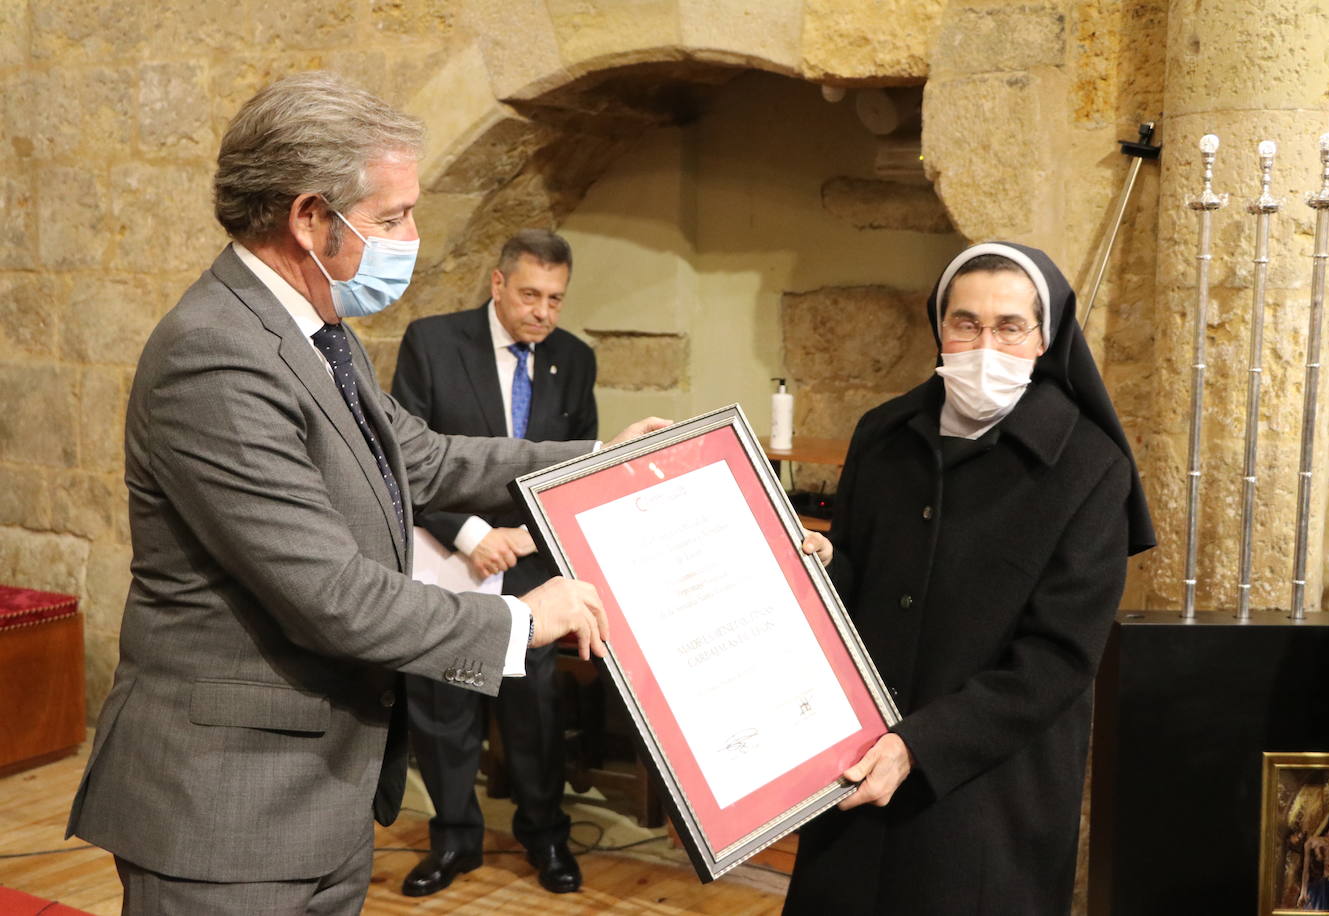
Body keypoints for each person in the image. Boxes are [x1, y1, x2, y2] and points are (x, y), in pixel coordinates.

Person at [64, 71, 665, 915]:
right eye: (393, 218)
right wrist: (525, 620)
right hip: (229, 809)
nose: (413, 236)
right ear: (310, 218)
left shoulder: (313, 330)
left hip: (322, 798)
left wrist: (600, 459)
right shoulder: (217, 354)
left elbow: (418, 457)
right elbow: (333, 596)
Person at [783, 242, 1155, 915]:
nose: (986, 343)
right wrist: (829, 562)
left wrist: (918, 748)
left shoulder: (1091, 467)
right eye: (966, 323)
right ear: (939, 328)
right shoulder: (883, 433)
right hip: (859, 765)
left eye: (1010, 325)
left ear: (1045, 337)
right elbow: (863, 572)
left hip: (986, 795)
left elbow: (1057, 659)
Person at [391, 229, 596, 896]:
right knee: (444, 701)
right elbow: (406, 463)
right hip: (449, 557)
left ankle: (546, 837)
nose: (542, 311)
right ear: (498, 284)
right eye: (531, 294)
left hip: (533, 560)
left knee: (533, 706)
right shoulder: (433, 342)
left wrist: (529, 540)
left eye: (556, 299)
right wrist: (473, 532)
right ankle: (454, 842)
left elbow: (575, 466)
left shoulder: (575, 359)